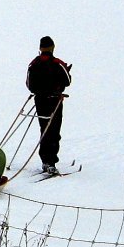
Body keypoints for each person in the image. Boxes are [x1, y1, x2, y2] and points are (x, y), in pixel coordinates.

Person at [26, 36, 72, 175]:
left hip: (40, 100)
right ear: (52, 47)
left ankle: (45, 161)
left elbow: (29, 84)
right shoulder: (58, 63)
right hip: (54, 100)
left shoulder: (33, 64)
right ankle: (50, 162)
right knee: (54, 131)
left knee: (44, 129)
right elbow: (68, 81)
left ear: (40, 48)